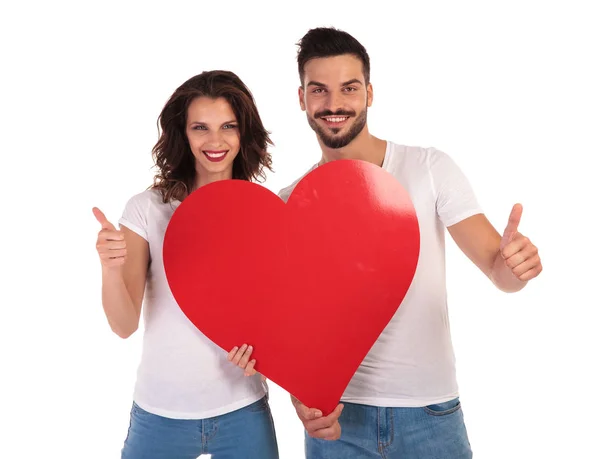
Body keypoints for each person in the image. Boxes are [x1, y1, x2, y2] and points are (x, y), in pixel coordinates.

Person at [239, 27, 543, 458]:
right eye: (319, 90)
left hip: (430, 414)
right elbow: (288, 327)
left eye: (349, 88)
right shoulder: (289, 205)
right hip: (338, 420)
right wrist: (300, 400)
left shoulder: (428, 168)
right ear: (302, 98)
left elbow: (499, 270)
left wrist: (515, 267)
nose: (334, 104)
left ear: (369, 92)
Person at [92, 70, 279, 459]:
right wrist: (110, 267)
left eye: (228, 126)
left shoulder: (263, 212)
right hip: (160, 415)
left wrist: (268, 358)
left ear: (244, 133)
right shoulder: (148, 210)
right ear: (184, 134)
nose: (215, 141)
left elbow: (278, 318)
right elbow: (124, 326)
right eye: (200, 127)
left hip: (243, 410)